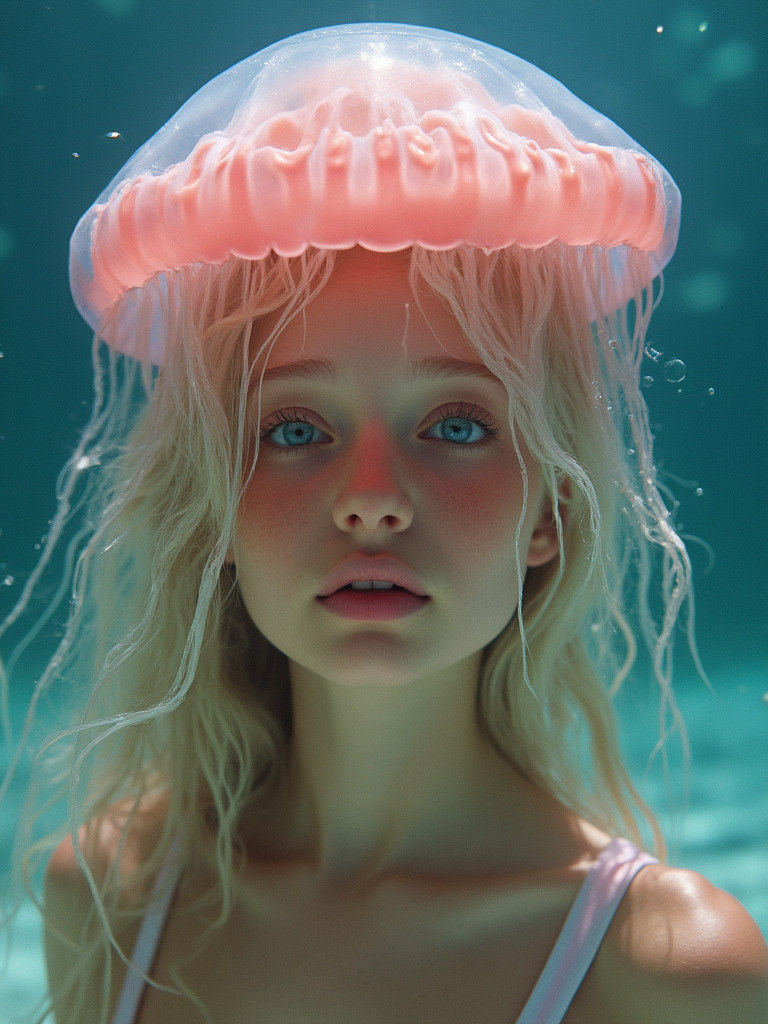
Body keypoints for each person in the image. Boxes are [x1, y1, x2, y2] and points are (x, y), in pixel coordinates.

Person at [3, 22, 767, 1024]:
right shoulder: (103, 892)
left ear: (553, 505)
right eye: (293, 427)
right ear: (215, 510)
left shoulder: (674, 968)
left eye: (455, 423)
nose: (372, 496)